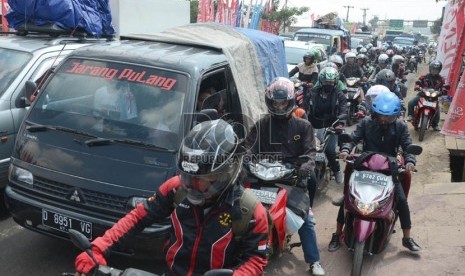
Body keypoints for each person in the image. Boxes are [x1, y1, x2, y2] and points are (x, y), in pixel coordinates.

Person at [74, 119, 270, 276]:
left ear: (227, 173)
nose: (192, 185)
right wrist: (99, 247)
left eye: (204, 179)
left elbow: (256, 258)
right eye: (188, 176)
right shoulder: (177, 189)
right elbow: (137, 218)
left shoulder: (250, 212)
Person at [245, 77, 325, 276]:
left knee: (304, 219)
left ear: (290, 102)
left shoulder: (303, 126)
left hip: (289, 178)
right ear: (269, 102)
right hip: (260, 175)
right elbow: (248, 146)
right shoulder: (262, 124)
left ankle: (314, 261)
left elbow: (310, 153)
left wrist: (306, 165)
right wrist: (243, 158)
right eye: (276, 103)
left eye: (283, 103)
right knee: (237, 208)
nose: (279, 106)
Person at [328, 92, 422, 253]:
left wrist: (410, 161)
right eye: (380, 116)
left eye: (388, 117)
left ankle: (407, 238)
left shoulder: (400, 126)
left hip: (389, 170)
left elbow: (408, 146)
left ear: (395, 116)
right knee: (348, 200)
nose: (384, 120)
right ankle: (337, 234)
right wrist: (345, 149)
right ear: (374, 113)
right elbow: (353, 138)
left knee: (401, 200)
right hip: (365, 166)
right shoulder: (365, 123)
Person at [307, 67, 347, 184]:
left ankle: (337, 170)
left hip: (332, 126)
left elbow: (344, 110)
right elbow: (305, 107)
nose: (328, 84)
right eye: (326, 82)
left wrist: (339, 123)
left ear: (335, 82)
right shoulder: (313, 93)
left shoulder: (339, 95)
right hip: (313, 125)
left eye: (331, 82)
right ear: (321, 81)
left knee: (330, 151)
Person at [407, 60, 447, 131]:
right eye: (433, 69)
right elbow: (418, 82)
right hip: (423, 95)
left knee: (437, 110)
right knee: (411, 103)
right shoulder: (424, 76)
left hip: (434, 97)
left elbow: (444, 86)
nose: (434, 71)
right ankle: (411, 116)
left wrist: (444, 90)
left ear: (439, 70)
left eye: (436, 69)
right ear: (430, 68)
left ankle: (435, 125)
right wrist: (417, 86)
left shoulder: (441, 79)